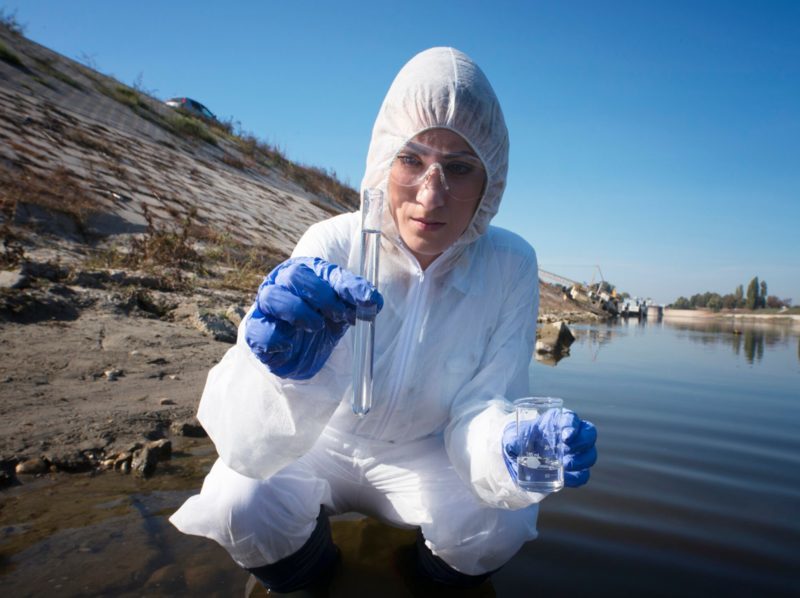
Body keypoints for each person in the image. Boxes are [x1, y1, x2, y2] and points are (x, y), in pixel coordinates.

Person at [170, 46, 597, 594]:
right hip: (323, 444)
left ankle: (416, 580)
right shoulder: (333, 242)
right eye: (411, 159)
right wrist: (277, 370)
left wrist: (510, 445)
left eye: (460, 168)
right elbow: (247, 442)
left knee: (500, 525)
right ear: (381, 161)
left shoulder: (510, 264)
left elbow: (484, 403)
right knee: (239, 501)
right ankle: (315, 577)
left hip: (428, 451)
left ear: (491, 182)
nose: (431, 194)